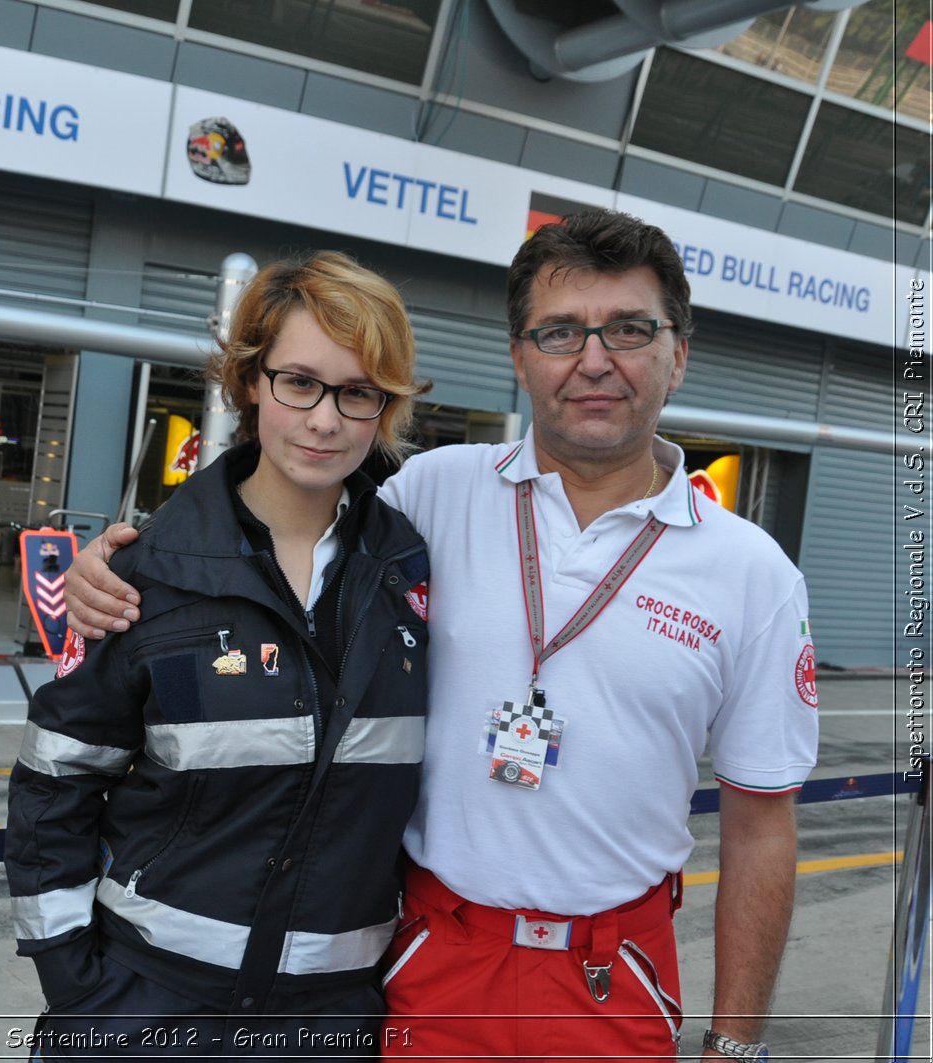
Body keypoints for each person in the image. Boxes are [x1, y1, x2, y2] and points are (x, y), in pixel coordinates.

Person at [63, 209, 819, 1062]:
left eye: (631, 330)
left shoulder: (754, 575)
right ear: (520, 357)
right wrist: (131, 558)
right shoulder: (428, 491)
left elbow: (762, 828)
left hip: (614, 976)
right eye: (561, 332)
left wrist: (735, 1043)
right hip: (427, 958)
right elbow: (278, 499)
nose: (595, 359)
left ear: (678, 352)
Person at [5, 251, 431, 1058]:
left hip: (332, 1021)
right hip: (142, 1005)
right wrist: (75, 982)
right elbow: (54, 780)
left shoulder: (418, 573)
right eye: (298, 381)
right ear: (249, 382)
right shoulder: (147, 569)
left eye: (357, 392)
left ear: (386, 405)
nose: (325, 419)